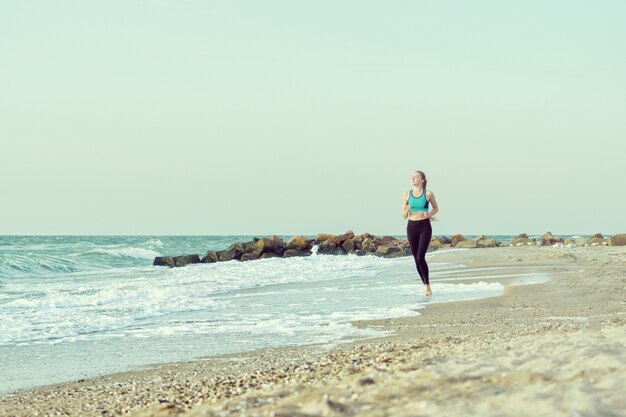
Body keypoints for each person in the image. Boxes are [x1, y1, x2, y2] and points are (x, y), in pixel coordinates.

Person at [402, 170, 439, 296]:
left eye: (415, 177)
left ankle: (427, 286)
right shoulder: (407, 194)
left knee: (420, 257)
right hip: (411, 226)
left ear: (422, 180)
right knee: (416, 259)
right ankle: (425, 285)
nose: (412, 179)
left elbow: (436, 208)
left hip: (424, 227)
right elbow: (403, 216)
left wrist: (429, 214)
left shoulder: (428, 194)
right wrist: (406, 210)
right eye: (411, 177)